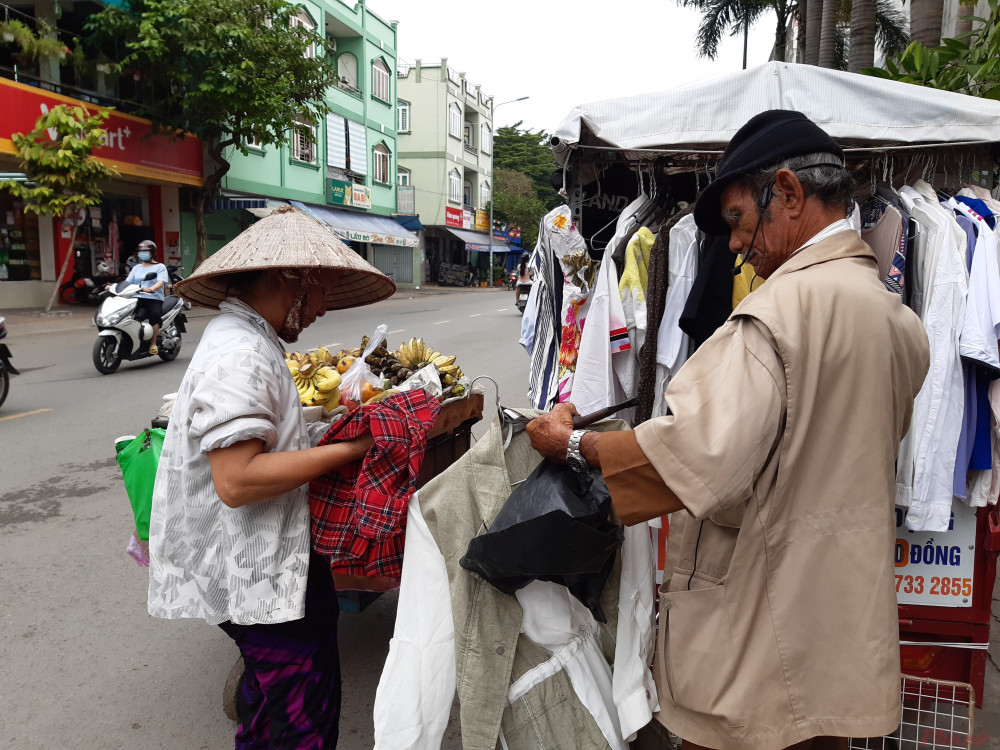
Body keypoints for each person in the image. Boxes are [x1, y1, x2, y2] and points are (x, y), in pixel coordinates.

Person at [527, 110, 930, 750]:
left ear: (789, 193)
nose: (735, 245)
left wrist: (570, 443)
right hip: (839, 638)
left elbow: (687, 460)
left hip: (759, 643)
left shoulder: (774, 319)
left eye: (740, 220)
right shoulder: (895, 321)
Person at [146, 206, 395, 749]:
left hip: (264, 563)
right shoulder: (241, 352)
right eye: (324, 291)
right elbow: (237, 480)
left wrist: (319, 432)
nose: (322, 309)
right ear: (295, 278)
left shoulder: (247, 338)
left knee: (273, 711)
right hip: (253, 570)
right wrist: (354, 447)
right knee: (296, 723)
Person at [123, 240, 169, 354]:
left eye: (145, 251)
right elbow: (128, 282)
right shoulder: (136, 268)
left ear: (152, 253)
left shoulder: (160, 267)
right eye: (140, 251)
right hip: (138, 297)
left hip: (154, 298)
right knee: (130, 316)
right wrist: (115, 287)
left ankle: (153, 343)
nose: (142, 253)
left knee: (155, 315)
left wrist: (152, 288)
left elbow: (161, 282)